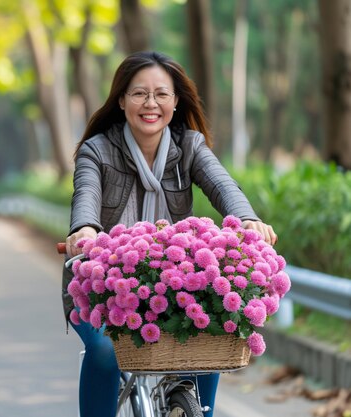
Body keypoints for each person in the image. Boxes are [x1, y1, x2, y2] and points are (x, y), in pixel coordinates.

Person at [62, 51, 277, 417]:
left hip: (174, 280)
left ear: (176, 101)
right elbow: (86, 196)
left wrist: (247, 219)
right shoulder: (96, 151)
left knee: (213, 333)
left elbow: (224, 186)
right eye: (139, 94)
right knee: (103, 351)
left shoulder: (190, 147)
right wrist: (83, 230)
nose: (151, 104)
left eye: (161, 94)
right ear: (121, 100)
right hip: (101, 283)